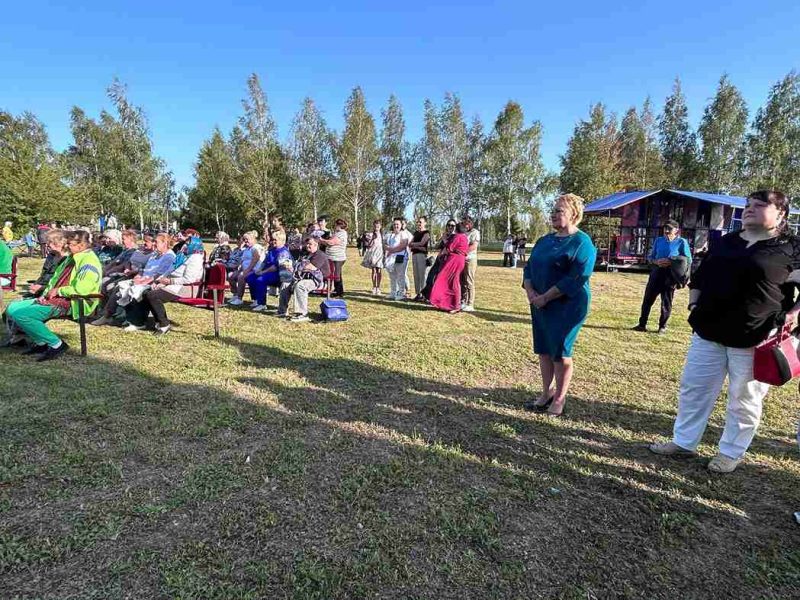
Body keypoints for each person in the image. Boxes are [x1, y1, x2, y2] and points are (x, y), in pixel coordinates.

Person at [649, 190, 800, 473]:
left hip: (756, 336)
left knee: (744, 398)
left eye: (759, 205)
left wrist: (792, 314)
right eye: (747, 205)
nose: (749, 209)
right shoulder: (727, 242)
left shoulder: (791, 248)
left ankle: (730, 452)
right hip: (708, 329)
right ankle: (683, 442)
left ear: (781, 213)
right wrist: (694, 303)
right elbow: (700, 277)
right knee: (694, 390)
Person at [522, 194, 597, 417]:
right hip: (539, 303)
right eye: (553, 210)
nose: (553, 214)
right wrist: (531, 292)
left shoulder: (582, 242)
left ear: (574, 214)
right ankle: (547, 393)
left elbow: (577, 276)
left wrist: (546, 297)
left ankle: (560, 399)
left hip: (567, 305)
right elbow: (529, 267)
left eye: (559, 211)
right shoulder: (544, 240)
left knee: (561, 352)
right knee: (544, 349)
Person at [4, 230, 102, 361]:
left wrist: (58, 291)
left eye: (70, 244)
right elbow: (54, 280)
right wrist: (44, 294)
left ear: (81, 245)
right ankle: (41, 343)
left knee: (22, 314)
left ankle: (57, 344)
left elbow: (82, 289)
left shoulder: (89, 261)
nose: (67, 246)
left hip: (75, 302)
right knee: (12, 308)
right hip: (58, 298)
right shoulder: (71, 258)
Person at [123, 236, 206, 336]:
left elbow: (189, 279)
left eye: (188, 244)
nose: (185, 245)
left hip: (185, 288)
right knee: (146, 291)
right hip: (172, 284)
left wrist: (169, 281)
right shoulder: (183, 256)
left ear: (194, 245)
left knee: (152, 295)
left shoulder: (195, 258)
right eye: (185, 243)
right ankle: (141, 322)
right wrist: (158, 281)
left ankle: (164, 324)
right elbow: (169, 271)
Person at [92, 233, 173, 326]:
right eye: (154, 241)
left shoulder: (169, 257)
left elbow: (159, 275)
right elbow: (145, 269)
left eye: (156, 242)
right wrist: (138, 276)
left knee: (128, 289)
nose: (154, 244)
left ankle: (131, 319)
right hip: (143, 279)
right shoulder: (156, 254)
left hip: (153, 282)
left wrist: (142, 281)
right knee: (119, 287)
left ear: (165, 243)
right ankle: (108, 315)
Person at [632, 220, 692, 335]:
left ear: (676, 230)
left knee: (666, 302)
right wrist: (656, 261)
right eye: (665, 228)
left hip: (670, 275)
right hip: (657, 272)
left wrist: (671, 261)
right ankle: (642, 324)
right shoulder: (659, 240)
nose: (666, 231)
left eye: (670, 229)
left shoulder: (681, 242)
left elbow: (688, 259)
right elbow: (651, 257)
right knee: (647, 299)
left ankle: (662, 326)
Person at [277, 236, 331, 322]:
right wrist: (291, 268)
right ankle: (282, 311)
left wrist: (297, 267)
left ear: (316, 245)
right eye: (307, 244)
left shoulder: (320, 255)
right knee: (285, 284)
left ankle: (302, 314)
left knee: (300, 286)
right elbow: (300, 267)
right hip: (303, 278)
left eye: (310, 244)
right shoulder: (305, 254)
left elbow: (309, 267)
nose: (307, 245)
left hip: (319, 281)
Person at [247, 229, 293, 312]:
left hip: (279, 274)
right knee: (250, 277)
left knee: (260, 279)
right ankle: (256, 299)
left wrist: (262, 272)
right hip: (268, 272)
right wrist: (259, 269)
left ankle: (262, 304)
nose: (273, 241)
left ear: (282, 241)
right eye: (273, 239)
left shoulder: (284, 252)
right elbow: (265, 261)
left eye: (275, 240)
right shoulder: (272, 250)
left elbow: (275, 267)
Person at [429, 224, 469, 313]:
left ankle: (454, 305)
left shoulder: (458, 237)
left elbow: (449, 248)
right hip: (460, 260)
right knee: (451, 281)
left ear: (456, 229)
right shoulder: (464, 237)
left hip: (454, 260)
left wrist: (444, 240)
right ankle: (446, 303)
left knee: (444, 279)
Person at [421, 220, 458, 301]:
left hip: (447, 260)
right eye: (448, 225)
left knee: (439, 279)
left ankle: (438, 298)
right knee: (430, 276)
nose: (450, 227)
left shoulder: (456, 237)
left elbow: (450, 248)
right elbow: (438, 246)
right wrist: (440, 239)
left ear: (455, 227)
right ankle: (427, 296)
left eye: (452, 226)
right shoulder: (445, 235)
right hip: (439, 259)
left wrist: (444, 239)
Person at [228, 231, 263, 306]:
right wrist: (239, 270)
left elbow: (255, 259)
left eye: (247, 239)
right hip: (245, 269)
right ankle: (235, 294)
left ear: (253, 239)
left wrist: (247, 270)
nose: (245, 241)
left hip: (255, 270)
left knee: (241, 276)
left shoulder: (256, 247)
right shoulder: (247, 249)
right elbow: (243, 261)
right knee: (231, 276)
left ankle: (239, 298)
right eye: (244, 239)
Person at [384, 217, 413, 301]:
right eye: (394, 224)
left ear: (401, 225)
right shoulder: (391, 234)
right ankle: (393, 292)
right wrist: (388, 249)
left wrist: (391, 250)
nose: (396, 226)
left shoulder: (403, 234)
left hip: (401, 257)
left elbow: (403, 246)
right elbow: (385, 244)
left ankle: (401, 293)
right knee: (392, 276)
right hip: (391, 259)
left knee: (400, 276)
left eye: (397, 224)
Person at [319, 218, 348, 297]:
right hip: (332, 257)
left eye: (336, 225)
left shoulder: (342, 233)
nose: (334, 226)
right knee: (335, 274)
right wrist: (323, 241)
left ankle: (338, 292)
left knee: (336, 275)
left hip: (338, 257)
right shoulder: (336, 233)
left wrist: (321, 239)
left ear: (339, 225)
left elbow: (331, 242)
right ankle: (337, 290)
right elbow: (328, 242)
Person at [460, 216, 480, 312]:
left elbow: (473, 246)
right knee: (463, 281)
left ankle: (470, 303)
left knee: (469, 281)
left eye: (467, 223)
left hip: (470, 259)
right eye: (463, 223)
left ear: (471, 223)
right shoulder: (463, 232)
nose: (465, 225)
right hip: (462, 259)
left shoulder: (475, 232)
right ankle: (464, 301)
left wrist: (463, 252)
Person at [408, 216, 431, 301]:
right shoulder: (416, 233)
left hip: (422, 255)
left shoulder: (426, 233)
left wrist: (414, 245)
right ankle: (418, 294)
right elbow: (410, 243)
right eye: (418, 222)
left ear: (425, 223)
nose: (419, 224)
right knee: (416, 275)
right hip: (414, 255)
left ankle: (424, 295)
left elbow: (422, 243)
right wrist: (415, 245)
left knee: (422, 275)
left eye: (420, 222)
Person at [361, 220, 385, 295]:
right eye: (375, 226)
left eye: (378, 226)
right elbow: (366, 242)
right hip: (373, 253)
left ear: (380, 226)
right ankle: (374, 287)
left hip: (380, 254)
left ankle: (378, 287)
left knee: (379, 270)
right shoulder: (371, 235)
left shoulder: (383, 235)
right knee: (374, 270)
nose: (376, 227)